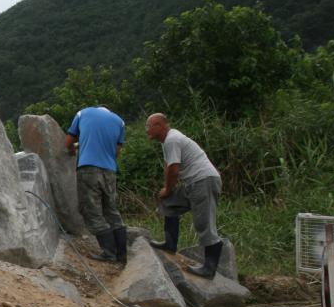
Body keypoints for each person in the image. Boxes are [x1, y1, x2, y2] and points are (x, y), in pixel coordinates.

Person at [144, 113, 224, 278]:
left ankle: (209, 269)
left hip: (203, 181)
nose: (147, 130)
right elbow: (168, 166)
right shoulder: (168, 141)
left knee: (204, 223)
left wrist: (167, 188)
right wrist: (168, 190)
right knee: (170, 202)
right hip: (194, 183)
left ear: (160, 125)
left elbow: (174, 170)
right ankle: (170, 244)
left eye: (149, 126)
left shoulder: (172, 139)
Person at [65, 105, 127, 264]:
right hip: (110, 171)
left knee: (92, 210)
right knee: (111, 209)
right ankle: (122, 253)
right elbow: (116, 152)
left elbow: (68, 141)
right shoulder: (120, 122)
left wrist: (73, 149)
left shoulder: (82, 113)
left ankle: (108, 252)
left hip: (88, 168)